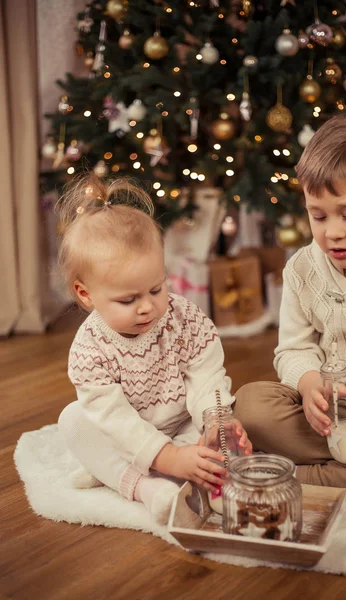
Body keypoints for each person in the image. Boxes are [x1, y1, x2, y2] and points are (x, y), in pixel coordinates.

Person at [57, 175, 251, 524]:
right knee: (72, 422)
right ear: (86, 295)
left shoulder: (183, 318)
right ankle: (145, 488)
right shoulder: (89, 350)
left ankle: (121, 471)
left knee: (221, 443)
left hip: (180, 425)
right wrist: (168, 458)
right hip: (125, 435)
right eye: (129, 299)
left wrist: (213, 422)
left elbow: (206, 376)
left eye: (156, 289)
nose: (147, 307)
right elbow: (115, 420)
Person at [233, 113, 346, 503]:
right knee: (251, 406)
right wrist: (309, 384)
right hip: (330, 419)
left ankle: (294, 478)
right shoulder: (304, 269)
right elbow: (293, 348)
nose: (332, 232)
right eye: (318, 215)